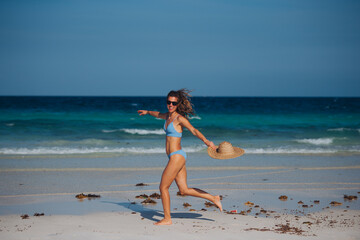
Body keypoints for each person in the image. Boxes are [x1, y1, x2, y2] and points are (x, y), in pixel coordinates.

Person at [137, 89, 223, 226]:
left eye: (174, 103)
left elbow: (194, 130)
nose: (170, 105)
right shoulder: (166, 116)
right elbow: (157, 114)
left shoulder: (179, 119)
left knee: (163, 187)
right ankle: (213, 198)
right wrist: (147, 112)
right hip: (176, 156)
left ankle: (167, 218)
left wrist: (207, 142)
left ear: (178, 104)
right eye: (168, 102)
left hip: (177, 156)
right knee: (183, 190)